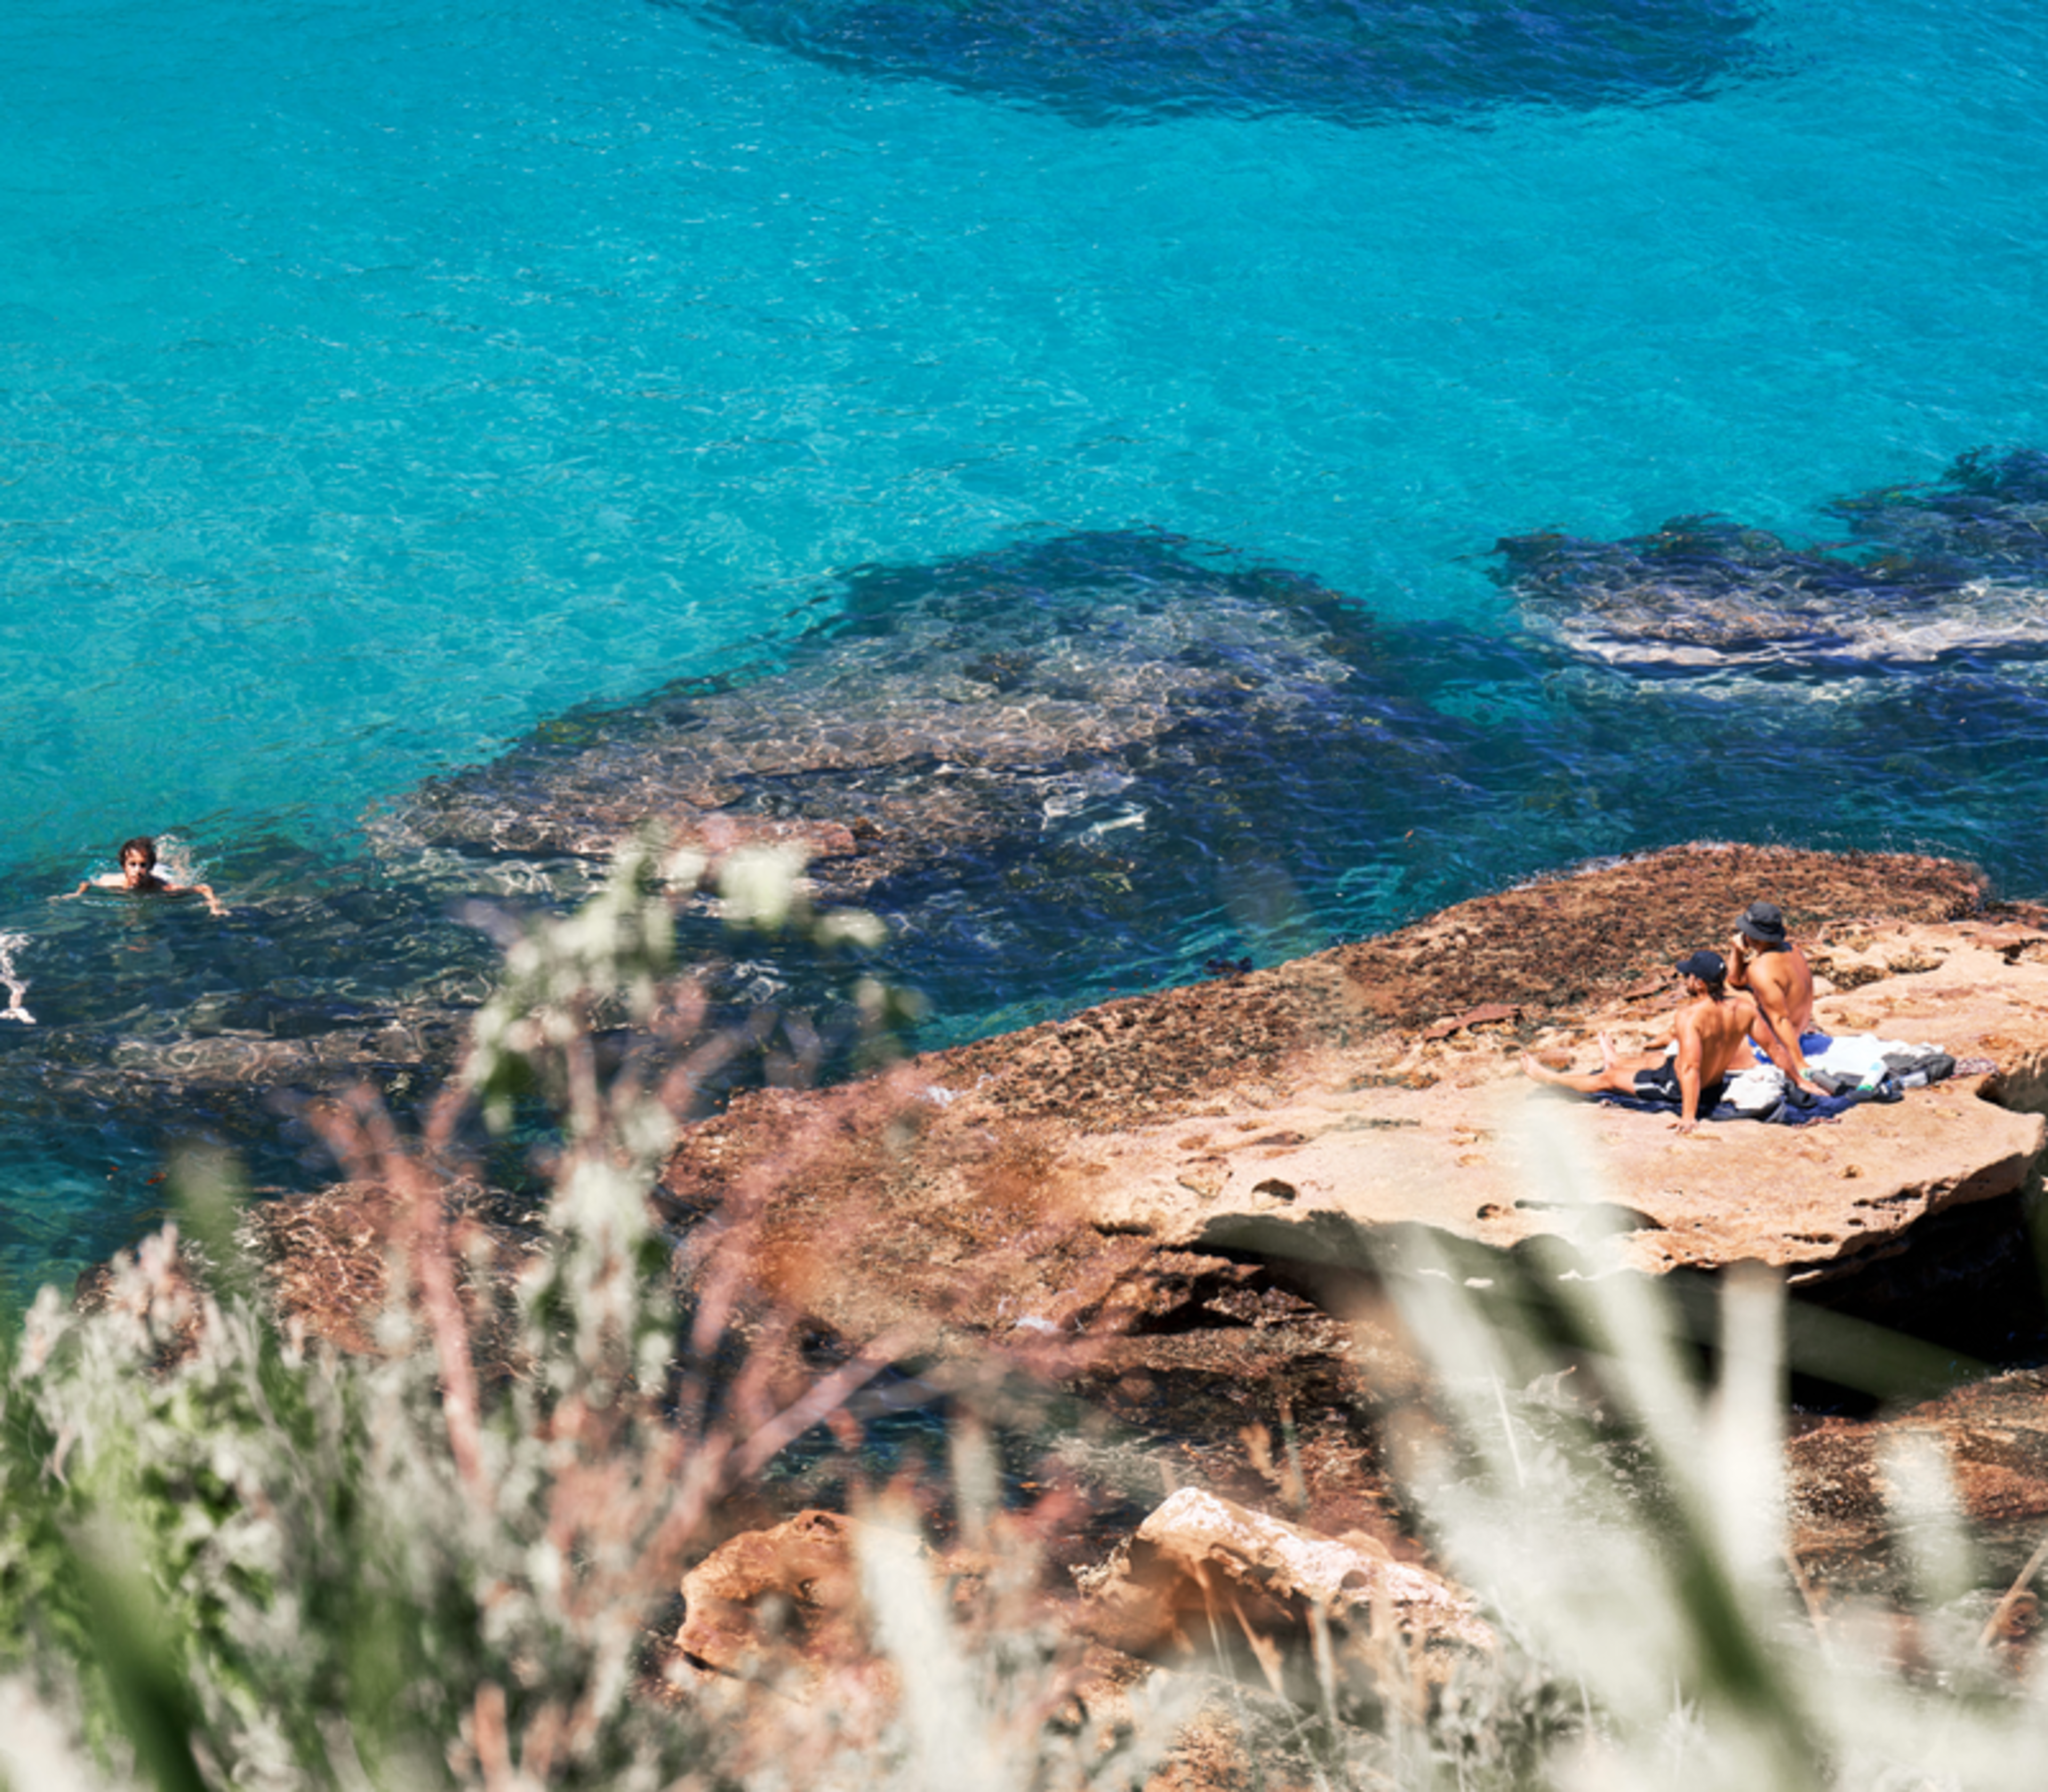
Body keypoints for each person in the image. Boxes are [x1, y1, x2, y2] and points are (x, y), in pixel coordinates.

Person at [1521, 949, 1801, 1134]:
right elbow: (1775, 1048)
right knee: (1657, 1059)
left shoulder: (1690, 1016)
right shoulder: (1743, 1008)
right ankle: (1617, 1060)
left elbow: (1690, 1068)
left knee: (1607, 1079)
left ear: (1700, 983)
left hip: (1677, 1088)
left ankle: (1550, 1079)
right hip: (1712, 1081)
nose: (1684, 980)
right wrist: (1800, 1081)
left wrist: (1688, 1116)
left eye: (1688, 976)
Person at [1727, 899, 1823, 1072]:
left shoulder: (1760, 969)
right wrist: (1737, 950)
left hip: (1780, 1045)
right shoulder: (1793, 950)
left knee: (1722, 998)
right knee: (1736, 991)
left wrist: (1798, 1063)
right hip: (1799, 1032)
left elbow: (1780, 1019)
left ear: (1751, 935)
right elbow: (1736, 980)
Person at [58, 837, 227, 916]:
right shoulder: (113, 882)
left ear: (149, 867)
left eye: (142, 866)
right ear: (124, 866)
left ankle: (168, 848)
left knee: (182, 872)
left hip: (163, 872)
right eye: (132, 865)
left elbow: (204, 888)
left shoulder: (163, 888)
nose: (137, 870)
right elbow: (87, 883)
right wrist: (77, 894)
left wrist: (214, 907)